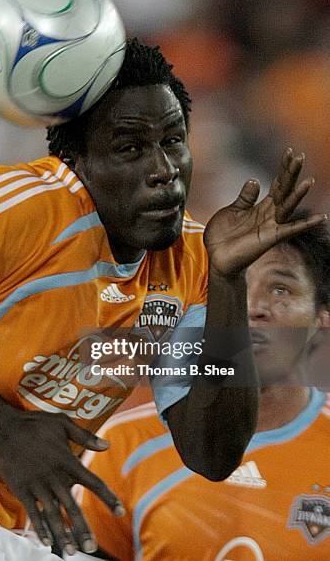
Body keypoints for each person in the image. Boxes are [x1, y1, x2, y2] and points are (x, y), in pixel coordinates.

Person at [0, 38, 325, 560]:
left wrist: (227, 282)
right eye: (130, 148)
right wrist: (2, 427)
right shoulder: (21, 210)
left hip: (7, 526)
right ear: (78, 161)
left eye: (174, 141)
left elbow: (211, 450)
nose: (164, 168)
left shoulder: (194, 261)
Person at [80, 211, 330, 560]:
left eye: (279, 288)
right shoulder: (122, 446)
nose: (252, 308)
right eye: (236, 285)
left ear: (321, 321)